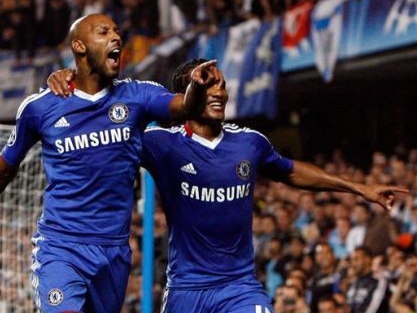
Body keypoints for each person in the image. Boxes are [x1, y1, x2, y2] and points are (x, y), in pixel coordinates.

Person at [47, 59, 407, 312]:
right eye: (208, 83)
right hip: (186, 291)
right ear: (187, 96)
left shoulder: (249, 142)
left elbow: (292, 171)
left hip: (239, 287)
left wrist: (360, 188)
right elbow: (103, 132)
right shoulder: (160, 144)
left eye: (221, 83)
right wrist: (74, 82)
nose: (219, 91)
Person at [0, 14, 219, 313]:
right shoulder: (41, 107)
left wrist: (197, 88)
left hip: (114, 251)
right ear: (80, 46)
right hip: (61, 246)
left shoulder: (138, 96)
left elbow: (183, 106)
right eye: (103, 31)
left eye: (117, 31)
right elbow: (6, 165)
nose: (116, 37)